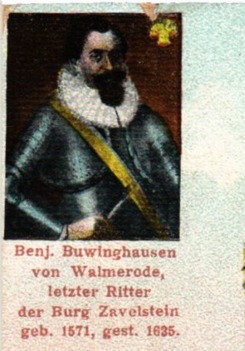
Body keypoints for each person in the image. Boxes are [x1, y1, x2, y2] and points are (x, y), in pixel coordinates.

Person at [5, 16, 180, 240]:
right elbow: (5, 189)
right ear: (76, 63)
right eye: (97, 56)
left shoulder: (146, 120)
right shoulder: (50, 119)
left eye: (114, 56)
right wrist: (64, 231)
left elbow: (183, 194)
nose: (108, 66)